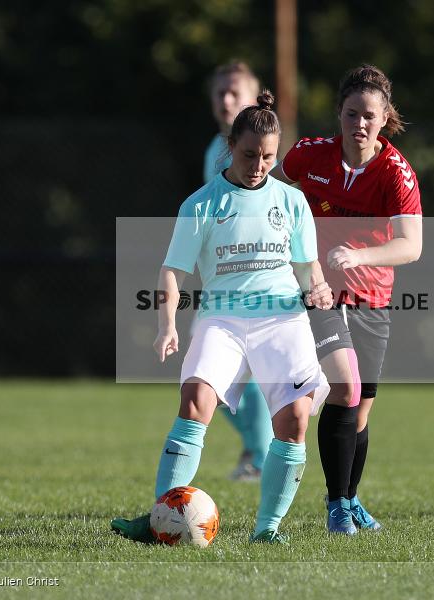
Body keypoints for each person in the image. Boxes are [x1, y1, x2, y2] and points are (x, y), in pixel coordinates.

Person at [112, 91, 333, 544]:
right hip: (223, 319)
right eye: (250, 154)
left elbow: (309, 267)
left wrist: (319, 287)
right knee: (195, 402)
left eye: (269, 157)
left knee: (293, 421)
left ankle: (267, 531)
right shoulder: (202, 203)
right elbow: (172, 272)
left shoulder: (292, 202)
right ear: (230, 146)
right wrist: (167, 325)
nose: (259, 165)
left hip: (281, 319)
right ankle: (161, 521)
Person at [271, 65, 423, 535]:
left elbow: (411, 246)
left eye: (369, 116)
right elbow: (271, 189)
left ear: (384, 118)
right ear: (339, 114)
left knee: (360, 409)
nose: (360, 124)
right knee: (345, 388)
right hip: (317, 291)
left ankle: (351, 498)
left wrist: (362, 255)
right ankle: (337, 507)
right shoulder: (309, 156)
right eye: (351, 114)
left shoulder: (396, 172)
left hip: (372, 296)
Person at [203, 61, 274, 482]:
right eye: (220, 94)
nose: (227, 100)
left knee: (242, 373)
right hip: (222, 281)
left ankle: (262, 457)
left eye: (235, 93)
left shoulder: (267, 149)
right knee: (206, 376)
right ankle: (259, 450)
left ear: (254, 98)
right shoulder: (216, 149)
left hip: (258, 282)